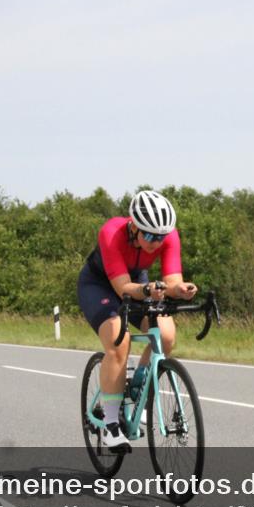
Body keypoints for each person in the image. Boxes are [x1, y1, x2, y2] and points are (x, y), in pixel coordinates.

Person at [77, 190, 198, 450]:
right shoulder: (111, 233)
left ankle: (138, 387)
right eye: (151, 236)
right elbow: (122, 288)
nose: (157, 242)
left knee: (165, 336)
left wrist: (182, 289)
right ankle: (110, 424)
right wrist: (148, 291)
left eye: (161, 237)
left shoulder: (169, 236)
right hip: (100, 286)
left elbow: (172, 280)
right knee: (119, 341)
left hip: (139, 284)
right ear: (134, 227)